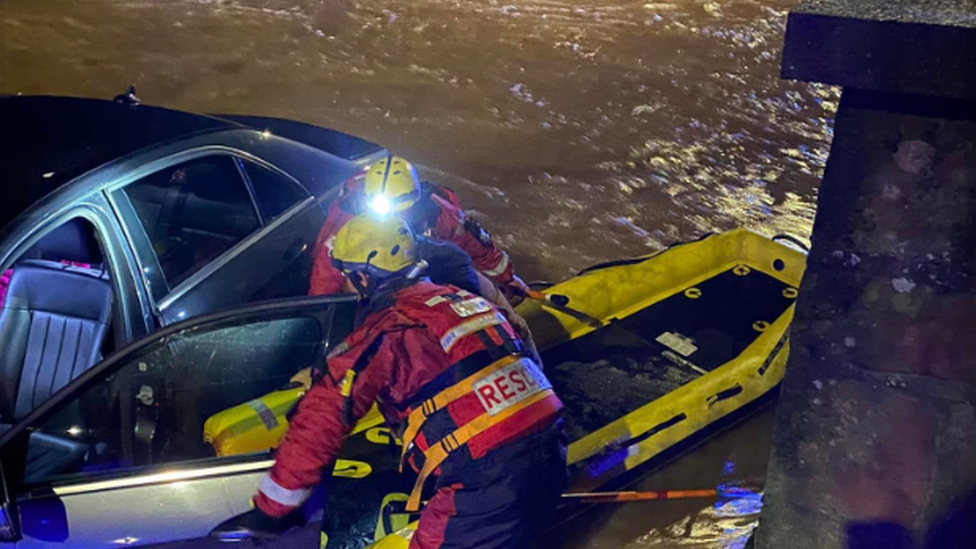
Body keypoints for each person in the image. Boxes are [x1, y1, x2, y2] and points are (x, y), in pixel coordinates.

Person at [217, 215, 566, 549]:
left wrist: (271, 509)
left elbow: (322, 417)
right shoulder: (466, 301)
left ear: (364, 278)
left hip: (486, 479)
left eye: (347, 277)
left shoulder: (385, 329)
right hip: (553, 452)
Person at [307, 155, 531, 303]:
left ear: (415, 200)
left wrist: (507, 277)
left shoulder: (439, 213)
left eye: (401, 209)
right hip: (369, 282)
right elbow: (325, 281)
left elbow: (476, 244)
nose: (395, 216)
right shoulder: (346, 230)